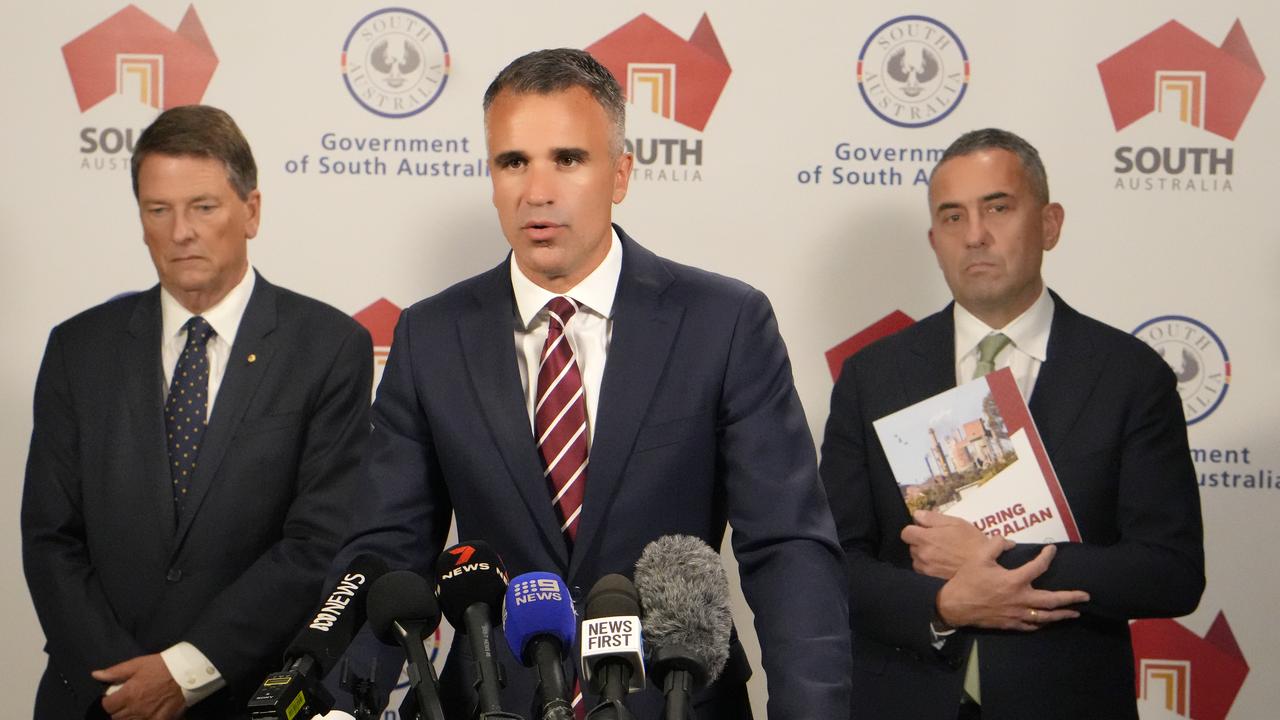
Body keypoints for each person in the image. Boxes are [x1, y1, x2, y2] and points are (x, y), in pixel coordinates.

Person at [331, 48, 850, 718]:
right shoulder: (431, 335)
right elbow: (385, 552)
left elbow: (787, 549)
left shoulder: (723, 323)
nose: (537, 191)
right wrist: (349, 701)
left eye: (568, 160)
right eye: (513, 162)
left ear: (621, 173)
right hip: (490, 702)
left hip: (674, 700)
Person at [820, 128, 1204, 720]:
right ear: (934, 239)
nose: (975, 234)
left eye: (997, 207)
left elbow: (1171, 573)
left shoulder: (1129, 376)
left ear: (1049, 223)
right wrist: (947, 603)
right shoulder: (873, 377)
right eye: (953, 217)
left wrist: (998, 562)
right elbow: (831, 562)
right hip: (902, 698)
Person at [21, 105, 373, 720]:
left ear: (251, 211)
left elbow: (317, 542)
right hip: (97, 698)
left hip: (248, 695)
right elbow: (51, 538)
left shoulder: (328, 346)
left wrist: (186, 670)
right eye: (159, 210)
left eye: (203, 207)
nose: (180, 231)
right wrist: (124, 685)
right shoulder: (78, 348)